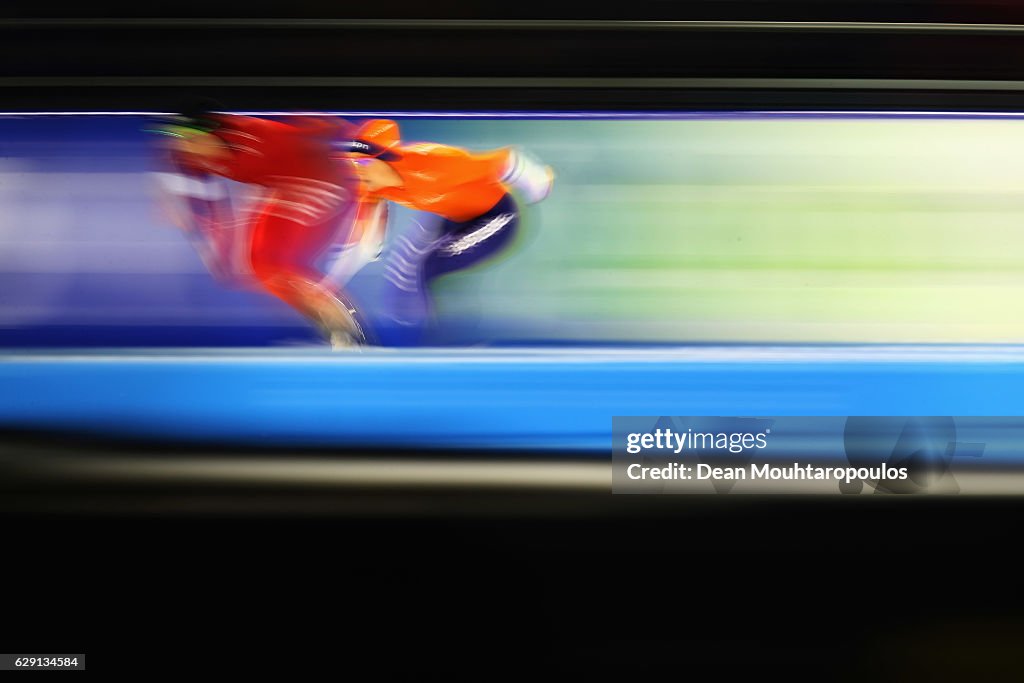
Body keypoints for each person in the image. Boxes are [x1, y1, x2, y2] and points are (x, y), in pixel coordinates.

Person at [152, 108, 376, 349]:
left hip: (327, 180)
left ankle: (349, 332)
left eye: (195, 139)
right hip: (283, 185)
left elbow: (323, 133)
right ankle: (333, 327)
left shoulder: (257, 138)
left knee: (270, 264)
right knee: (260, 267)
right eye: (182, 140)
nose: (190, 147)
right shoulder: (186, 154)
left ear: (215, 133)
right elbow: (206, 204)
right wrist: (214, 242)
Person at [337, 119, 554, 343]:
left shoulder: (437, 163)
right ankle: (406, 339)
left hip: (496, 216)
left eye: (362, 163)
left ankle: (439, 341)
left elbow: (505, 160)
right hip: (452, 217)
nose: (357, 172)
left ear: (387, 159)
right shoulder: (372, 183)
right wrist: (349, 266)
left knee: (429, 264)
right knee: (404, 266)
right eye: (352, 163)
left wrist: (538, 182)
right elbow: (364, 236)